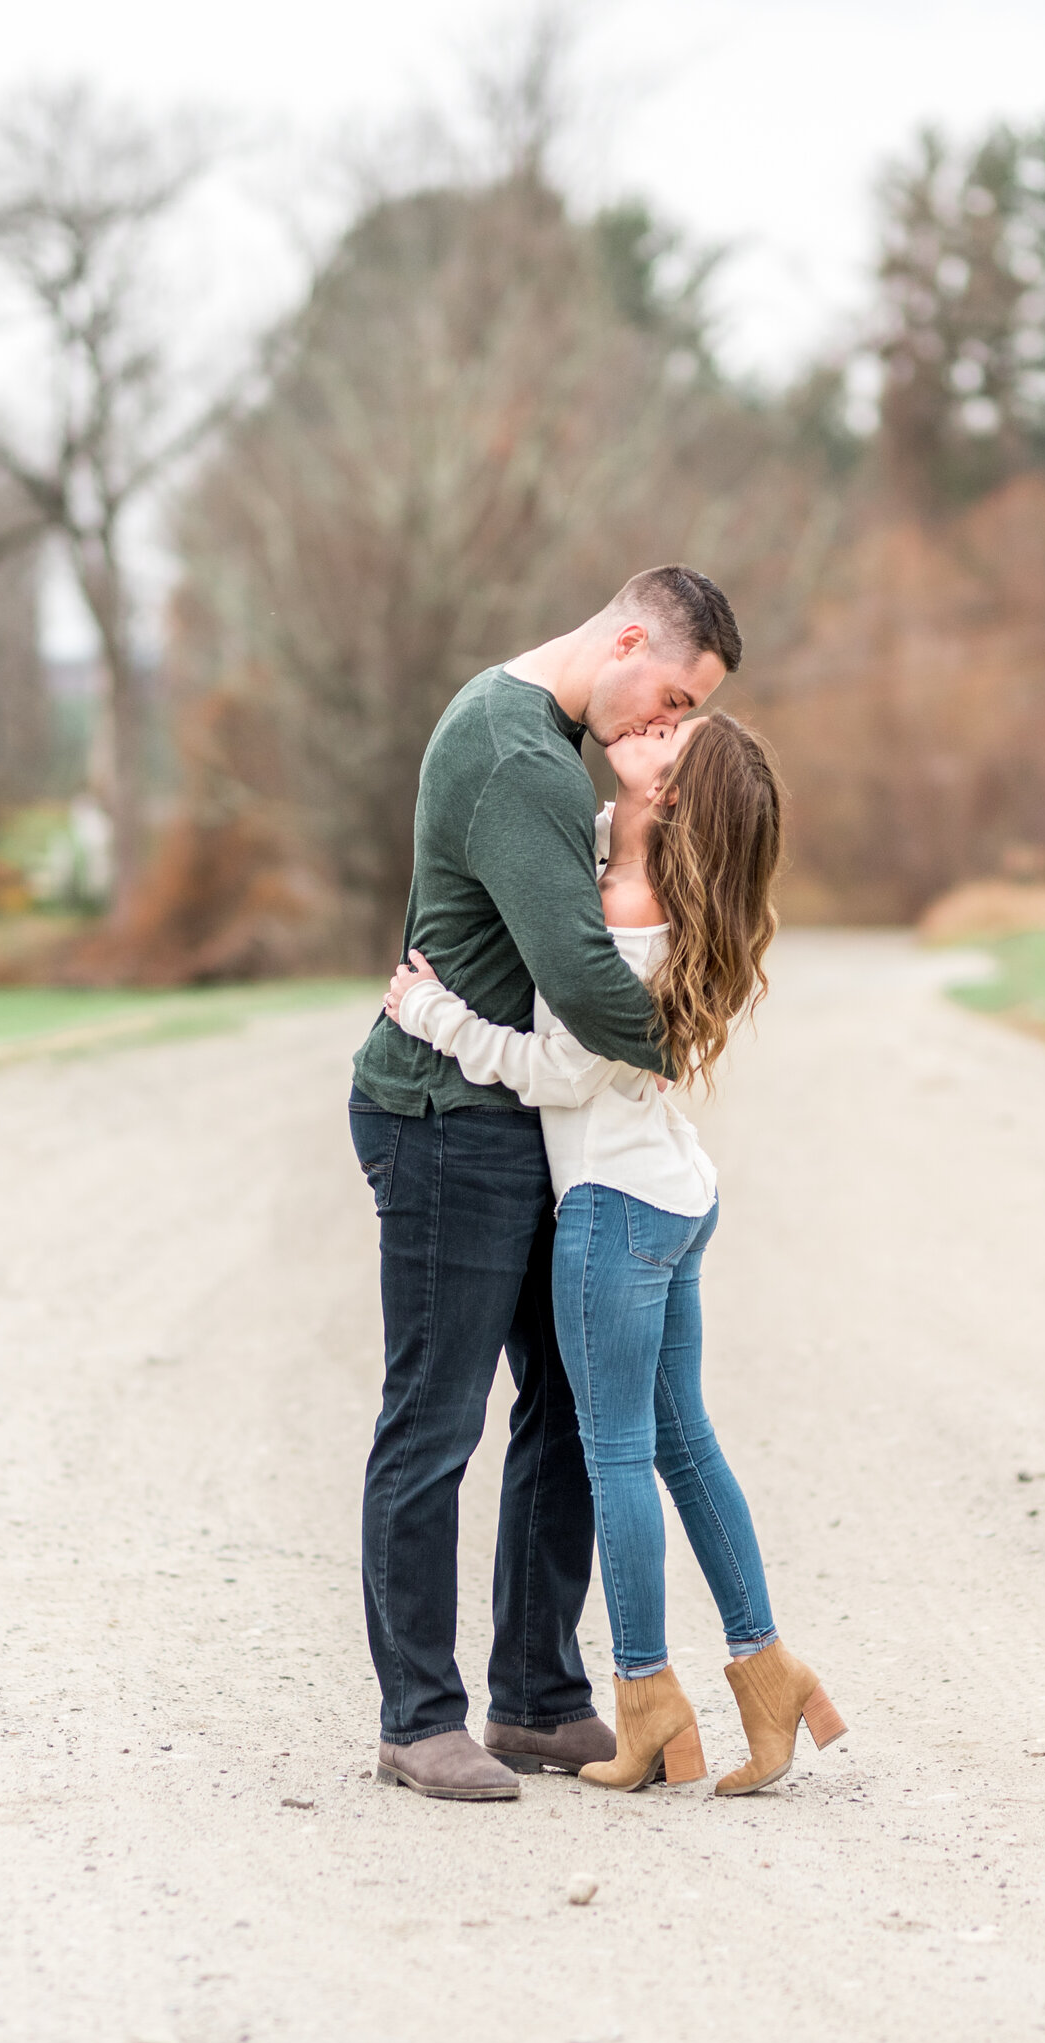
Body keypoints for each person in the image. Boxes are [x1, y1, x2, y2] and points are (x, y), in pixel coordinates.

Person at [380, 706, 844, 1795]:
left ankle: (643, 1700)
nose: (643, 732)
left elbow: (559, 1074)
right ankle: (766, 1671)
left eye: (667, 747)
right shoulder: (631, 868)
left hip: (615, 1206)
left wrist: (432, 1013)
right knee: (682, 1449)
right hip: (671, 1193)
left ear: (670, 795)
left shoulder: (629, 910)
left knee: (618, 1457)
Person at [348, 566, 742, 1802]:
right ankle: (417, 1718)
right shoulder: (516, 754)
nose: (662, 730)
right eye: (668, 697)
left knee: (566, 1411)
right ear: (626, 639)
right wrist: (687, 1033)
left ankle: (533, 1696)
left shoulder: (551, 743)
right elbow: (579, 977)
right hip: (439, 1117)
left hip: (512, 1116)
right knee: (436, 1418)